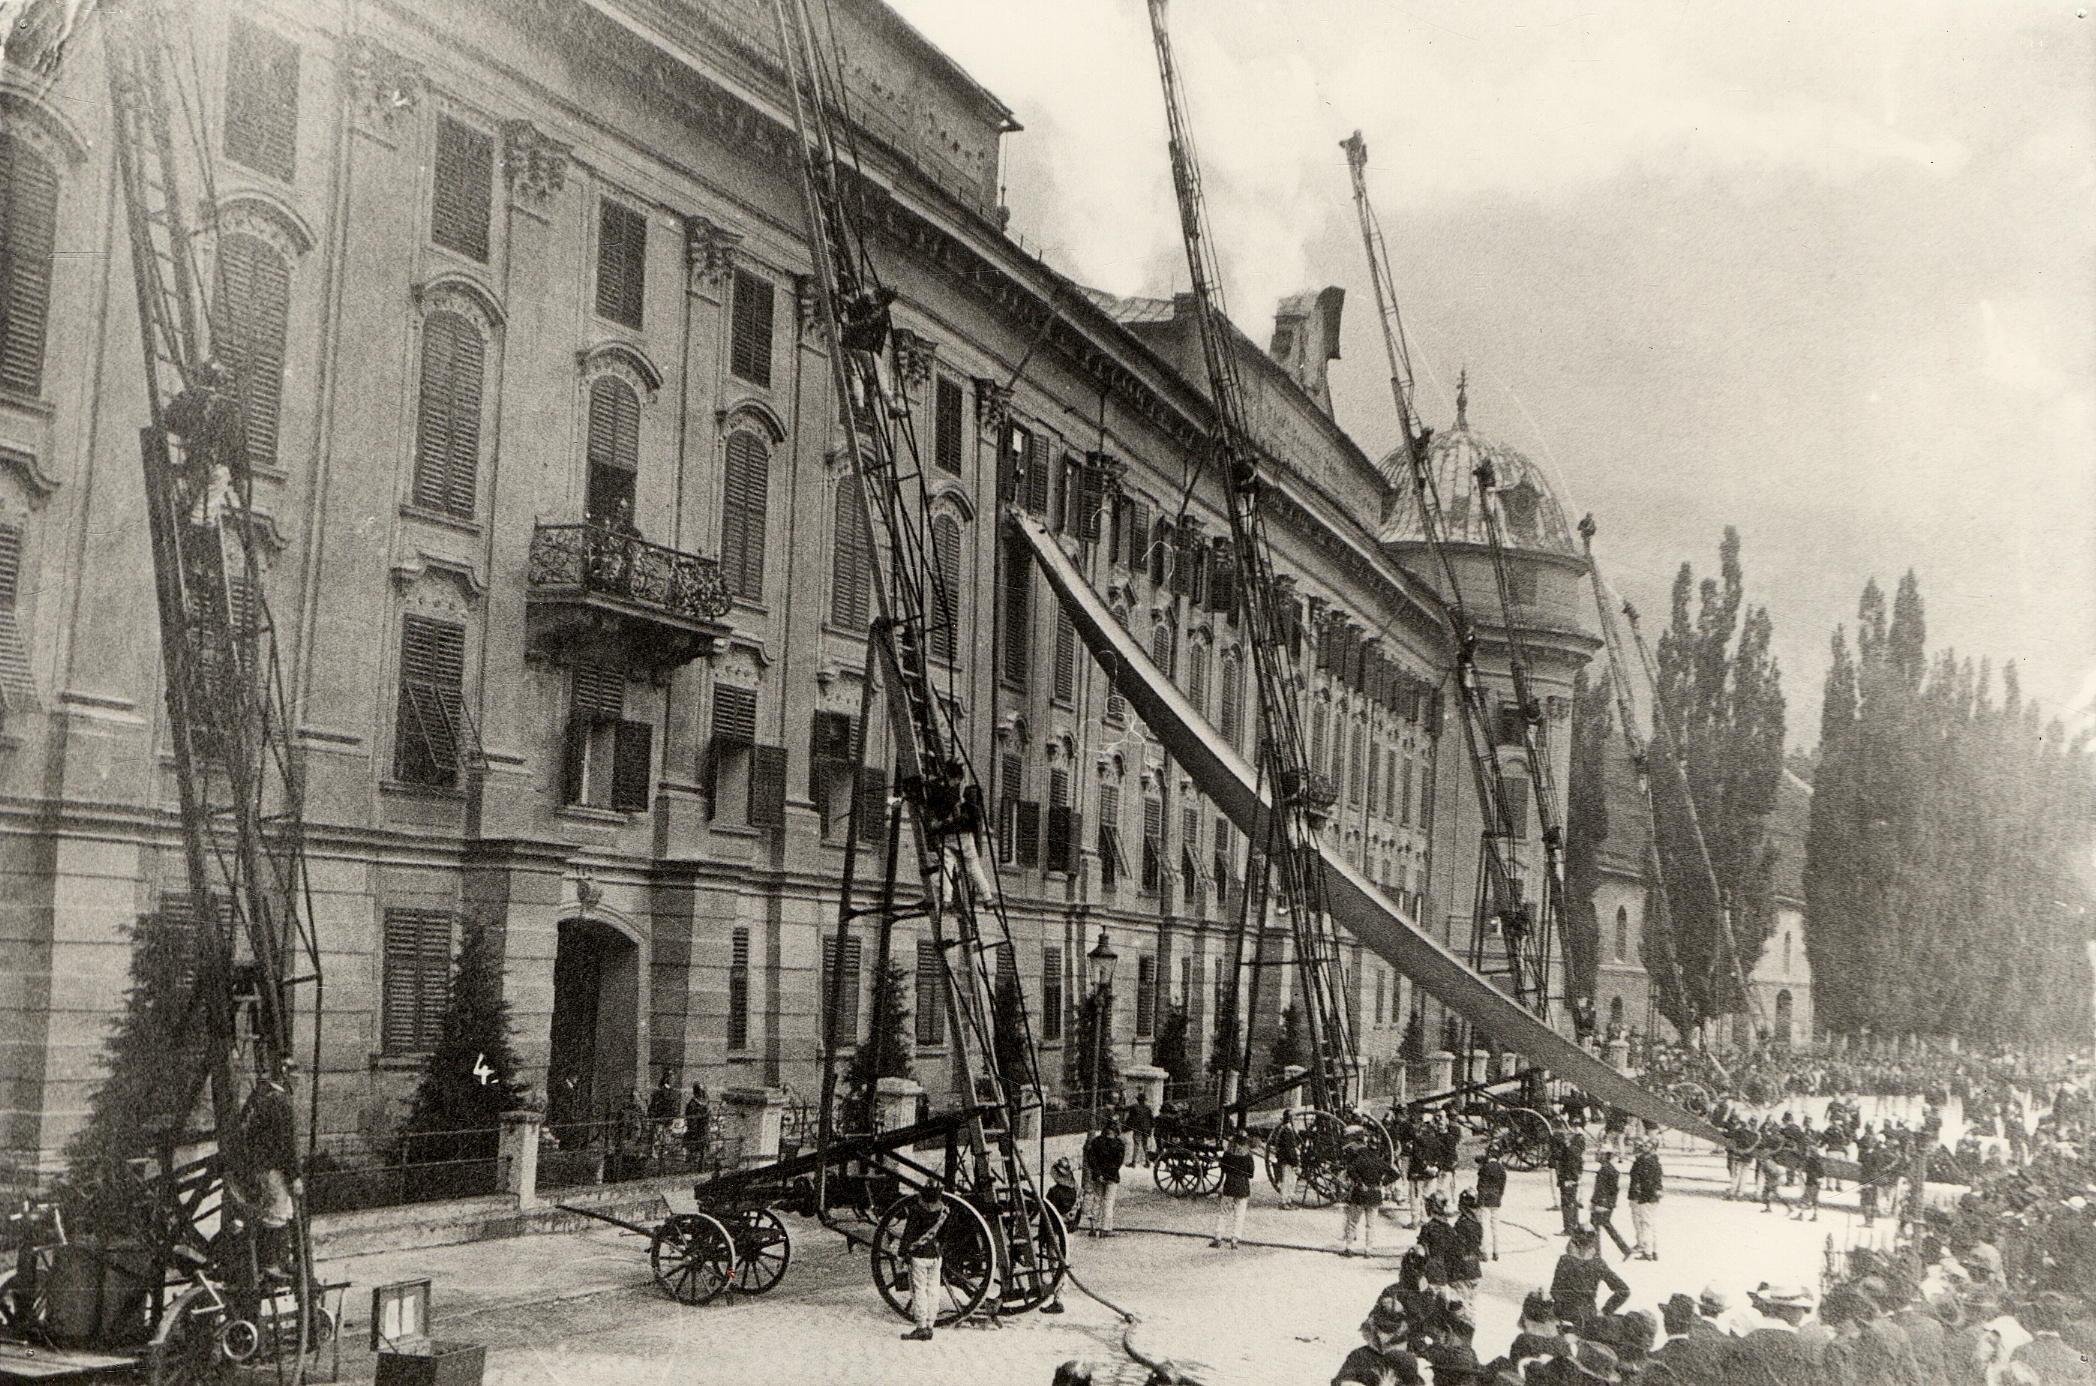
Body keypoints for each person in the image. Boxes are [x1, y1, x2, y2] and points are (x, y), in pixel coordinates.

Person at [235, 1063, 300, 1281]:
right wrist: (295, 1177)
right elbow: (287, 1145)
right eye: (295, 1077)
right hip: (273, 1169)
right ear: (285, 1079)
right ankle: (271, 1263)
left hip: (263, 1168)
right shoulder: (281, 1103)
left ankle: (280, 1260)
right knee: (277, 1213)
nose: (298, 1081)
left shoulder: (264, 1102)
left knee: (282, 1211)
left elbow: (251, 1137)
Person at [1549, 1229, 1630, 1337]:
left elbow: (1554, 1290)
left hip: (1565, 1313)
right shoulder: (1598, 1263)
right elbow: (1623, 1290)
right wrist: (1605, 1311)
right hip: (1588, 1314)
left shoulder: (1565, 1260)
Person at [1332, 1300, 1428, 1386]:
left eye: (1390, 1330)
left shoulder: (1410, 1358)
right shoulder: (1360, 1355)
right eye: (1381, 1328)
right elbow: (1342, 1380)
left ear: (1400, 1329)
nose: (1383, 1335)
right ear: (1373, 1327)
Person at [897, 1181, 948, 1341]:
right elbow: (944, 1235)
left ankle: (921, 1327)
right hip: (935, 1255)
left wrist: (902, 1253)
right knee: (933, 1290)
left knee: (919, 1291)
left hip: (919, 1255)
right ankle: (930, 1325)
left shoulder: (917, 1210)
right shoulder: (943, 1210)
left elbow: (909, 1234)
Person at [1339, 1129, 1396, 1257]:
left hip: (1359, 1194)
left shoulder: (1360, 1159)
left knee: (1353, 1222)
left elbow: (1350, 1170)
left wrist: (1359, 1181)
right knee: (1371, 1225)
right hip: (1374, 1195)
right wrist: (1383, 1183)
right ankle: (1368, 1250)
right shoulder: (1380, 1161)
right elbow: (1394, 1174)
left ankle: (1349, 1248)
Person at [1210, 1131, 1255, 1250]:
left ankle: (1218, 1237)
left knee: (1224, 1212)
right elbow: (1251, 1174)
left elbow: (1223, 1168)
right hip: (1243, 1187)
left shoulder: (1228, 1154)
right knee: (1239, 1215)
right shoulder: (1248, 1155)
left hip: (1229, 1186)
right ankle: (1234, 1240)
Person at [1083, 1120, 1125, 1236]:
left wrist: (1099, 1174)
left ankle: (1093, 1227)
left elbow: (1091, 1159)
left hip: (1098, 1177)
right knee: (1108, 1202)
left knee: (1096, 1199)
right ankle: (1105, 1229)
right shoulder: (1119, 1144)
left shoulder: (1096, 1142)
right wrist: (1107, 1175)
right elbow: (1118, 1163)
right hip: (1112, 1177)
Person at [1588, 1150, 1632, 1259]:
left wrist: (1599, 1203)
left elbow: (1604, 1189)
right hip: (1605, 1203)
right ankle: (1624, 1249)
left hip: (1603, 1204)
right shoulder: (1607, 1169)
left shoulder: (1606, 1170)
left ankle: (1596, 1254)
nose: (1596, 1155)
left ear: (1605, 1156)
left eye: (1599, 1154)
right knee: (1604, 1225)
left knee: (1596, 1226)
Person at [1473, 1145, 1506, 1261]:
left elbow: (1480, 1186)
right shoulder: (1502, 1169)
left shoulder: (1484, 1168)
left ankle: (1484, 1251)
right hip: (1496, 1200)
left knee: (1484, 1227)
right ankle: (1496, 1251)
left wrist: (1479, 1201)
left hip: (1485, 1200)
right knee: (1495, 1227)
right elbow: (1502, 1187)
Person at [1554, 1124, 1587, 1236]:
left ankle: (1569, 1228)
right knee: (1572, 1202)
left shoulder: (1570, 1150)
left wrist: (1569, 1179)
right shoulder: (1577, 1150)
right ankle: (1574, 1225)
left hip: (1568, 1180)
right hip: (1572, 1179)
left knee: (1567, 1203)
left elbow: (1570, 1166)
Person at [1272, 1114, 1303, 1210]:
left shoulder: (1285, 1129)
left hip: (1286, 1160)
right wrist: (1295, 1163)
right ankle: (1284, 1202)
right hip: (1288, 1160)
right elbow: (1290, 1149)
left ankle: (1288, 1201)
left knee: (1289, 1181)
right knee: (1288, 1181)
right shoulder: (1287, 1131)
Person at [681, 1082, 710, 1165]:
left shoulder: (704, 1101)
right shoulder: (692, 1104)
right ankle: (692, 1159)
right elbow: (691, 1117)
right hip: (695, 1128)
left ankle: (702, 1160)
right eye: (701, 1091)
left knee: (703, 1143)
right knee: (694, 1143)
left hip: (703, 1127)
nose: (703, 1093)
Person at [1125, 1093, 1155, 1168]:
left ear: (1138, 1100)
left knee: (1136, 1145)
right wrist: (1150, 1129)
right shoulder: (1148, 1108)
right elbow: (1152, 1119)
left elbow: (1125, 1109)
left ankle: (1133, 1162)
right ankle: (1147, 1162)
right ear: (1144, 1100)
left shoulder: (1134, 1107)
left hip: (1138, 1128)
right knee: (1145, 1146)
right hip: (1146, 1129)